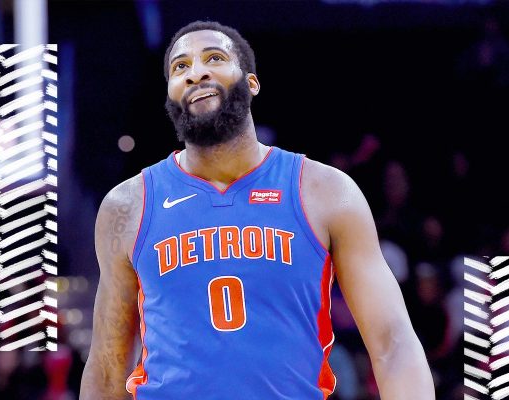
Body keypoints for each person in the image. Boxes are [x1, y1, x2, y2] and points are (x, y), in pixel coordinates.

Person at [80, 20, 435, 400]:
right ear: (170, 93)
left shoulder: (326, 191)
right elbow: (106, 368)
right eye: (180, 67)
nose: (196, 72)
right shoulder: (127, 206)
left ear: (251, 83)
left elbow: (393, 343)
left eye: (214, 58)